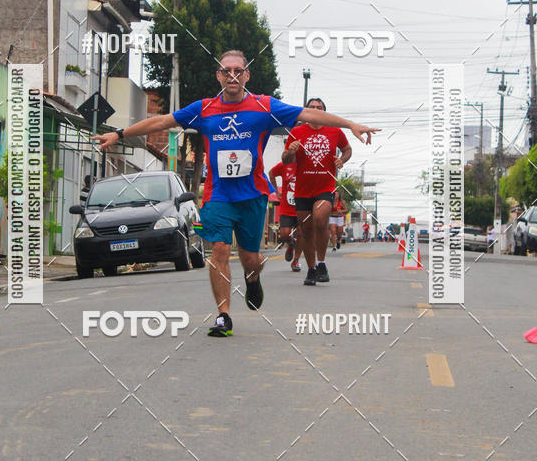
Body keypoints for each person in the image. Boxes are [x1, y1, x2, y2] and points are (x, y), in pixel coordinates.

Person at [94, 51, 378, 336]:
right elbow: (162, 122)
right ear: (219, 75)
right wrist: (119, 133)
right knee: (219, 248)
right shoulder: (203, 109)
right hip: (218, 196)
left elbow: (309, 114)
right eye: (226, 71)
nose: (232, 76)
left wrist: (350, 124)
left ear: (246, 75)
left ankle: (252, 280)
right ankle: (223, 316)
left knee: (250, 258)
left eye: (238, 71)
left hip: (253, 196)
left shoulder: (263, 106)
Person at [283, 97, 352, 286]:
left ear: (324, 111)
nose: (315, 109)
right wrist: (290, 150)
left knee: (321, 220)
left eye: (319, 107)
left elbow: (347, 150)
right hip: (303, 189)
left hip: (325, 187)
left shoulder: (335, 131)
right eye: (311, 107)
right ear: (306, 112)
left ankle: (322, 263)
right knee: (306, 230)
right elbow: (286, 160)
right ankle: (312, 269)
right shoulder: (297, 132)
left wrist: (342, 161)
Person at [268, 157, 304, 271]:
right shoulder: (285, 164)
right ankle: (291, 244)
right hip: (286, 207)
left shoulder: (308, 166)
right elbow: (271, 173)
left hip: (302, 207)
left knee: (300, 233)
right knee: (284, 234)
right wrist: (276, 191)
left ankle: (296, 261)